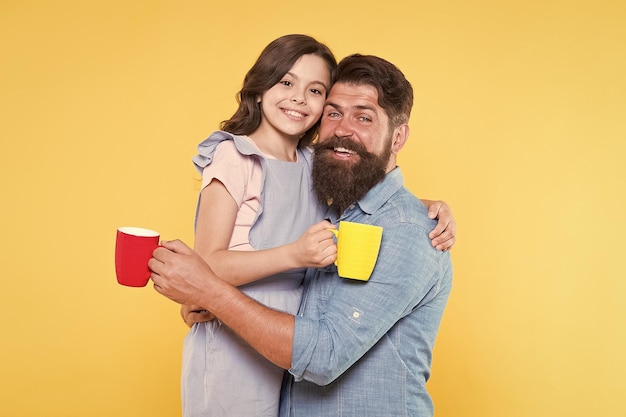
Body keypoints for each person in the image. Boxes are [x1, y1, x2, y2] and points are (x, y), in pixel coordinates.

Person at [169, 43, 455, 417]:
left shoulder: (406, 231)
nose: (344, 130)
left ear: (398, 138)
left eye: (364, 118)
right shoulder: (332, 199)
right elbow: (216, 259)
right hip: (244, 373)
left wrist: (210, 292)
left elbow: (322, 355)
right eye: (334, 113)